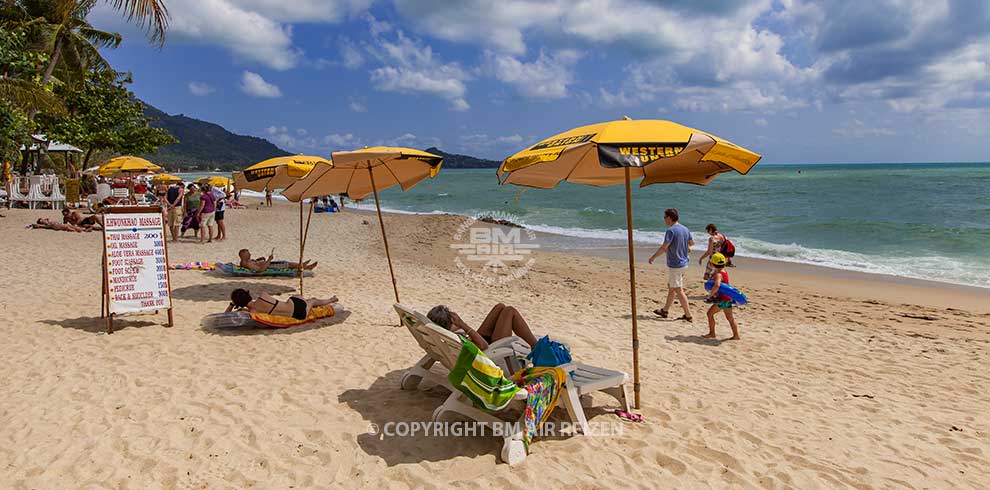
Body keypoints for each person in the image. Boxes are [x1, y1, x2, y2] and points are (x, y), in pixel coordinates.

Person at [427, 303, 539, 350]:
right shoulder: (453, 336)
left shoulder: (445, 335)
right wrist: (463, 325)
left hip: (476, 341)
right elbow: (484, 346)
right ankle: (536, 347)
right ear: (450, 323)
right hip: (490, 349)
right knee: (510, 311)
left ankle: (536, 345)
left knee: (500, 307)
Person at [648, 208, 695, 321]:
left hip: (676, 264)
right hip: (684, 263)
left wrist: (653, 257)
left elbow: (664, 247)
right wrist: (685, 248)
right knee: (672, 287)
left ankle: (688, 315)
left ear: (669, 217)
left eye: (665, 217)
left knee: (678, 289)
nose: (664, 219)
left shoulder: (671, 231)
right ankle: (665, 310)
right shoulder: (685, 228)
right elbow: (692, 243)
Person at [226, 288, 338, 320]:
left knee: (311, 301)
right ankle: (331, 300)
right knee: (312, 300)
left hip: (297, 314)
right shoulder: (263, 296)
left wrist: (232, 304)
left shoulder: (252, 313)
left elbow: (225, 316)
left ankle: (331, 300)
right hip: (297, 308)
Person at [703, 254, 740, 340]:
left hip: (722, 300)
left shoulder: (718, 274)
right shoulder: (724, 271)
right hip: (728, 298)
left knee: (709, 314)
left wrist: (710, 295)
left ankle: (712, 333)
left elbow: (717, 285)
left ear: (712, 264)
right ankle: (736, 335)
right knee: (730, 318)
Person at [238, 249, 317, 272]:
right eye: (248, 254)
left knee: (286, 263)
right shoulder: (248, 264)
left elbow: (256, 264)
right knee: (287, 264)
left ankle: (302, 265)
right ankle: (305, 267)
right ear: (244, 256)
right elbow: (260, 270)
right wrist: (269, 260)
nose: (250, 254)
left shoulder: (245, 262)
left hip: (268, 264)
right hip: (269, 266)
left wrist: (258, 260)